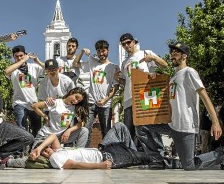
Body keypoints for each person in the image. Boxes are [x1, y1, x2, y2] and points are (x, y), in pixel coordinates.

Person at [136, 41, 224, 170]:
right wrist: (153, 79)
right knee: (141, 125)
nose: (172, 55)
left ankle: (221, 154)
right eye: (171, 52)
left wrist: (215, 121)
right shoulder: (173, 78)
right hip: (171, 125)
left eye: (176, 52)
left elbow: (204, 97)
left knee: (189, 166)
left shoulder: (190, 72)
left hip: (186, 125)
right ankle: (158, 159)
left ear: (184, 56)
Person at [29, 122, 152, 169]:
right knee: (148, 158)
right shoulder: (55, 159)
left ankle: (132, 152)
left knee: (119, 126)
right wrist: (100, 166)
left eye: (47, 148)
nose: (48, 150)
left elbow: (53, 136)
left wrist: (39, 148)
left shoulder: (57, 151)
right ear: (44, 158)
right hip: (107, 157)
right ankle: (133, 154)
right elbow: (75, 165)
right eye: (45, 152)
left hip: (103, 148)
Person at [115, 33, 168, 141]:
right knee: (130, 132)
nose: (126, 46)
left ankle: (158, 156)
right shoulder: (124, 63)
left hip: (146, 96)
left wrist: (153, 58)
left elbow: (165, 65)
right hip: (129, 99)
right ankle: (133, 156)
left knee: (150, 130)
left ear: (134, 42)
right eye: (123, 44)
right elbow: (127, 82)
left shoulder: (145, 53)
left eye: (128, 42)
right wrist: (117, 79)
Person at [72, 40, 119, 146]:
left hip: (105, 105)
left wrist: (105, 99)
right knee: (85, 130)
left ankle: (107, 154)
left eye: (103, 51)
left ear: (108, 50)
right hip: (91, 103)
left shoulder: (114, 67)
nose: (101, 54)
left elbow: (116, 87)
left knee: (106, 132)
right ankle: (84, 153)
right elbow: (75, 63)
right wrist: (82, 52)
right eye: (98, 51)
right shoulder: (92, 63)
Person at [4, 45, 44, 137]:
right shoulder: (14, 69)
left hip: (33, 103)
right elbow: (6, 72)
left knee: (37, 129)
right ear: (13, 57)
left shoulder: (33, 67)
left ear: (25, 55)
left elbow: (49, 70)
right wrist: (22, 60)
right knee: (21, 129)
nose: (19, 58)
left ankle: (34, 149)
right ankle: (19, 151)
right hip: (19, 103)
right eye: (16, 56)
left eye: (21, 55)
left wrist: (37, 61)